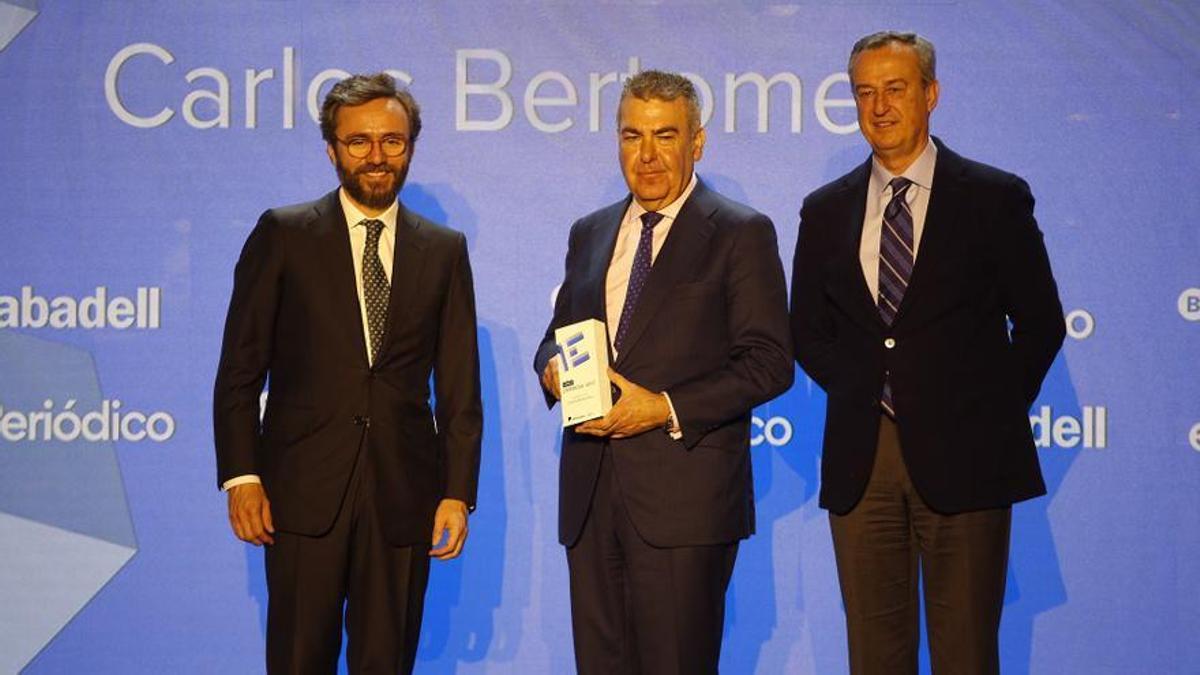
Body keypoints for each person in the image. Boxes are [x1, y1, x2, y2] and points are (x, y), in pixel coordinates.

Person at [790, 32, 1066, 674]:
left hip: (968, 459)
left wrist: (982, 413)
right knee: (875, 659)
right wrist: (863, 389)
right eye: (865, 92)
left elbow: (1040, 324)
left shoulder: (994, 197)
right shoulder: (824, 210)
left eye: (896, 88)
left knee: (966, 654)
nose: (879, 106)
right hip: (864, 464)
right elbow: (806, 330)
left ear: (931, 94)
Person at [213, 73, 482, 674]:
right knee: (298, 659)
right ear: (332, 149)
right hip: (300, 494)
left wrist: (457, 492)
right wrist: (241, 476)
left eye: (393, 141)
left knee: (387, 662)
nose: (377, 157)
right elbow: (239, 371)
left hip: (403, 497)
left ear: (411, 146)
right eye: (359, 142)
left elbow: (460, 387)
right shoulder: (283, 234)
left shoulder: (443, 249)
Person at [533, 70, 793, 674]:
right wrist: (551, 367)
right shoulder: (590, 232)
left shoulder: (740, 232)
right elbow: (558, 333)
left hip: (685, 503)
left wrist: (663, 406)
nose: (646, 155)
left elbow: (770, 361)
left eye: (665, 135)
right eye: (631, 136)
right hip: (591, 498)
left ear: (697, 142)